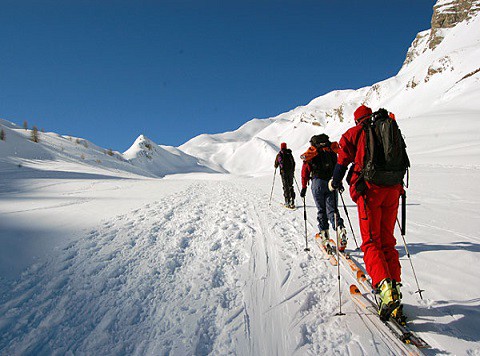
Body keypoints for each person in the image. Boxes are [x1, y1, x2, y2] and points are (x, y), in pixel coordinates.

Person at [329, 104, 405, 322]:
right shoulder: (388, 127)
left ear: (357, 120)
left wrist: (335, 180)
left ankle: (384, 289)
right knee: (387, 241)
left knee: (371, 241)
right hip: (393, 189)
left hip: (370, 191)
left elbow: (343, 158)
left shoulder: (356, 132)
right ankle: (394, 288)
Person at [299, 134, 347, 253]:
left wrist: (304, 186)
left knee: (321, 210)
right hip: (332, 182)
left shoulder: (312, 152)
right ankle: (340, 229)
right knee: (333, 210)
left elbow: (305, 170)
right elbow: (338, 167)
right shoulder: (331, 151)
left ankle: (325, 237)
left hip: (317, 183)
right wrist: (339, 182)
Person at [274, 142, 296, 209]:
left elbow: (276, 164)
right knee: (290, 186)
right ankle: (292, 201)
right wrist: (292, 170)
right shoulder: (289, 154)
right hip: (290, 172)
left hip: (283, 173)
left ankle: (287, 201)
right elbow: (293, 162)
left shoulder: (279, 155)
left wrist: (276, 166)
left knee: (285, 186)